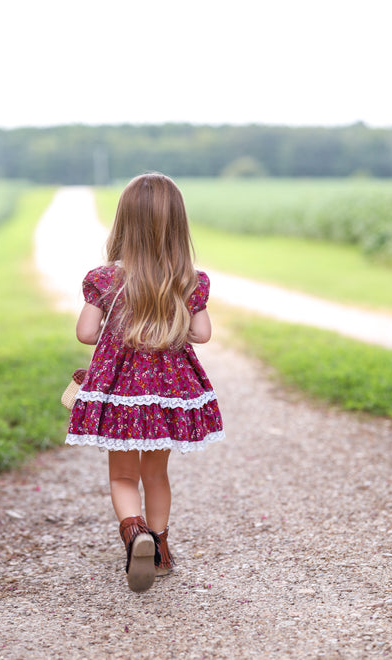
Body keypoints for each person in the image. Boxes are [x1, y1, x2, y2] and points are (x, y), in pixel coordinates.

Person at [65, 172, 224, 593]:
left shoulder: (103, 279)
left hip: (120, 395)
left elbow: (85, 333)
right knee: (156, 475)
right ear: (177, 226)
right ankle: (160, 548)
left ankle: (133, 533)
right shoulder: (187, 279)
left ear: (124, 223)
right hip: (167, 396)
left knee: (122, 476)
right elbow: (202, 334)